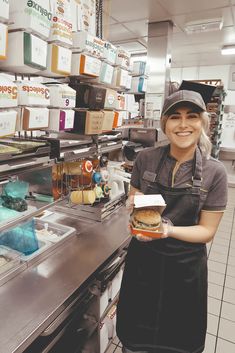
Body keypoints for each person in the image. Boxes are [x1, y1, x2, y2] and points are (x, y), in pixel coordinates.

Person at [116, 89, 228, 353]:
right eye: (175, 117)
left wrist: (168, 230)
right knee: (134, 341)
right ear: (165, 123)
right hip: (144, 263)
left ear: (202, 122)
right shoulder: (145, 159)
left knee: (179, 343)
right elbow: (136, 202)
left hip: (185, 271)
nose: (183, 124)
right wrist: (134, 217)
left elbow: (206, 231)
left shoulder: (215, 172)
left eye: (192, 116)